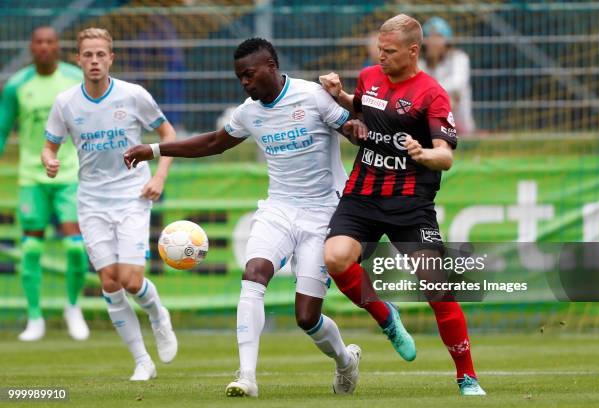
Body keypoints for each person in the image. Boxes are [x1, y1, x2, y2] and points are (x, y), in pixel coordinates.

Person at [124, 38, 366, 397]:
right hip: (278, 209)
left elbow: (350, 126)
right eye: (239, 77)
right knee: (254, 275)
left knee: (306, 317)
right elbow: (213, 142)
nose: (244, 83)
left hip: (322, 213)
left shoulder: (311, 96)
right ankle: (246, 376)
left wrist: (356, 127)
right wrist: (154, 149)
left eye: (249, 75)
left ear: (271, 66)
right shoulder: (249, 112)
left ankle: (345, 361)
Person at [319, 14, 486, 395]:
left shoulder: (432, 93)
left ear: (413, 51)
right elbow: (361, 111)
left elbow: (446, 156)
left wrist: (422, 152)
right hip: (362, 194)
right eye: (380, 49)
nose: (382, 57)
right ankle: (386, 315)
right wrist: (339, 94)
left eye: (390, 51)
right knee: (335, 258)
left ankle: (467, 376)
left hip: (410, 201)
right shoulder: (369, 77)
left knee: (436, 287)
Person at [41, 27, 178, 381]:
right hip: (91, 201)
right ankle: (141, 361)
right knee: (109, 282)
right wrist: (49, 161)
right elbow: (50, 145)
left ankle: (158, 315)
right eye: (88, 55)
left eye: (101, 54)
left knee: (131, 281)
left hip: (132, 196)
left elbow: (168, 135)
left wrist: (159, 177)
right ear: (78, 59)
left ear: (111, 58)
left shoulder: (134, 95)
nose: (94, 61)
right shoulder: (66, 102)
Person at [0, 26, 90, 342]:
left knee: (75, 249)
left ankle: (73, 307)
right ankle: (35, 317)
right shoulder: (17, 85)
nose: (44, 47)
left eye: (50, 42)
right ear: (31, 47)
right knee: (32, 248)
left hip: (70, 175)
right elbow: (2, 130)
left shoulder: (74, 78)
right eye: (38, 42)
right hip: (31, 178)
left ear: (57, 46)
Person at [419, 17, 476, 135]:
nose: (433, 41)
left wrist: (432, 91)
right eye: (429, 37)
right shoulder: (420, 64)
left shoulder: (459, 58)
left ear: (447, 40)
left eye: (438, 37)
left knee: (451, 96)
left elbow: (457, 83)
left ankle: (459, 130)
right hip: (428, 125)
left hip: (458, 119)